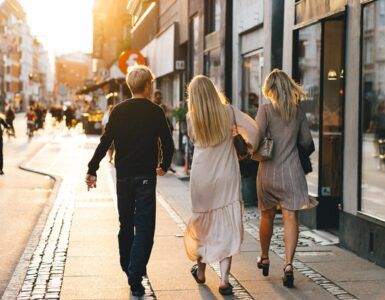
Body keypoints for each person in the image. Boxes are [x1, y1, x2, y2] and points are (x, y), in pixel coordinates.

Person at [85, 65, 174, 297]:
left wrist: (92, 169)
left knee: (126, 225)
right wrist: (164, 165)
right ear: (148, 86)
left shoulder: (118, 110)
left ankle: (128, 267)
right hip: (145, 177)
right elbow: (168, 141)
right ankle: (135, 274)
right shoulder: (155, 111)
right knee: (145, 228)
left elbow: (105, 142)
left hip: (123, 177)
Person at [183, 75, 258, 295]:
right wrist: (248, 145)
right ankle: (225, 280)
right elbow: (254, 130)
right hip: (226, 174)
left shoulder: (191, 117)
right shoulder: (229, 112)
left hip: (201, 175)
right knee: (226, 224)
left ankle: (201, 271)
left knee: (202, 223)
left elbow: (193, 138)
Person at [254, 69, 316, 288]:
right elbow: (308, 143)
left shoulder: (265, 110)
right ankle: (288, 265)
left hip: (268, 173)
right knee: (291, 219)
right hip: (292, 173)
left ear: (270, 89)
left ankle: (264, 257)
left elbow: (256, 138)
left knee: (267, 216)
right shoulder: (297, 112)